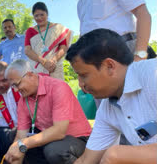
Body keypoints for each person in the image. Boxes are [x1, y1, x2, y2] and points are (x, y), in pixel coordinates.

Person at [66, 29, 157, 164]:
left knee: (116, 156)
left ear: (110, 66)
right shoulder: (107, 109)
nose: (81, 85)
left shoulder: (152, 75)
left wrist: (117, 155)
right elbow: (87, 160)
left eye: (84, 75)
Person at [4, 59, 91, 164]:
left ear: (30, 75)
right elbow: (20, 136)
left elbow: (59, 132)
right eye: (13, 86)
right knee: (14, 137)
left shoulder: (58, 87)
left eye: (17, 84)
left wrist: (22, 144)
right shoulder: (24, 99)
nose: (16, 90)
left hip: (76, 138)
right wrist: (16, 151)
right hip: (50, 138)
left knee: (54, 151)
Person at [25, 2, 71, 80]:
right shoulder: (30, 31)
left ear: (47, 14)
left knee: (57, 90)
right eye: (36, 15)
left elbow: (63, 47)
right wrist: (43, 61)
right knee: (39, 90)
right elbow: (27, 50)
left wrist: (53, 60)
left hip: (54, 67)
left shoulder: (57, 29)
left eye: (42, 14)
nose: (39, 18)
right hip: (37, 68)